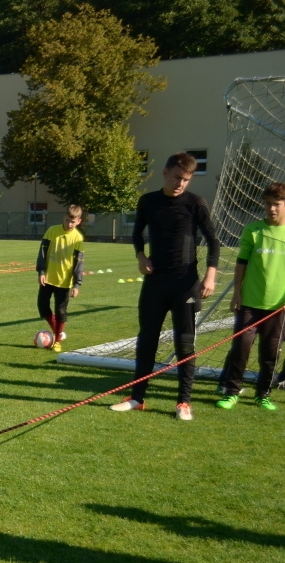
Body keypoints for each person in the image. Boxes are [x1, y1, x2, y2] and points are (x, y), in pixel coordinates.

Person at [110, 152, 219, 420]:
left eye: (187, 179)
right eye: (177, 177)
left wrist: (210, 276)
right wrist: (140, 256)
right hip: (155, 283)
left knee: (185, 343)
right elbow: (137, 232)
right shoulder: (148, 201)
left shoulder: (196, 203)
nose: (181, 183)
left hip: (186, 285)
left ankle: (183, 402)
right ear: (165, 173)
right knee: (147, 339)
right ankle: (137, 398)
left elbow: (213, 241)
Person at [214, 182, 285, 411]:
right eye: (267, 204)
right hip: (249, 303)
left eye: (277, 204)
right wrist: (236, 293)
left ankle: (262, 394)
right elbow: (241, 263)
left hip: (278, 307)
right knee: (241, 348)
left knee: (270, 353)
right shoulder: (253, 230)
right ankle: (232, 392)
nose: (271, 209)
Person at [35, 204, 85, 352]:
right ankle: (58, 332)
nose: (70, 224)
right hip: (48, 278)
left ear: (79, 221)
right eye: (68, 220)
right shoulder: (52, 231)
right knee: (42, 307)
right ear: (64, 218)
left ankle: (57, 341)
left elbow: (78, 264)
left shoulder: (78, 239)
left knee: (61, 311)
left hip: (64, 281)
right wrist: (41, 272)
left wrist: (77, 284)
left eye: (73, 222)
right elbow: (42, 253)